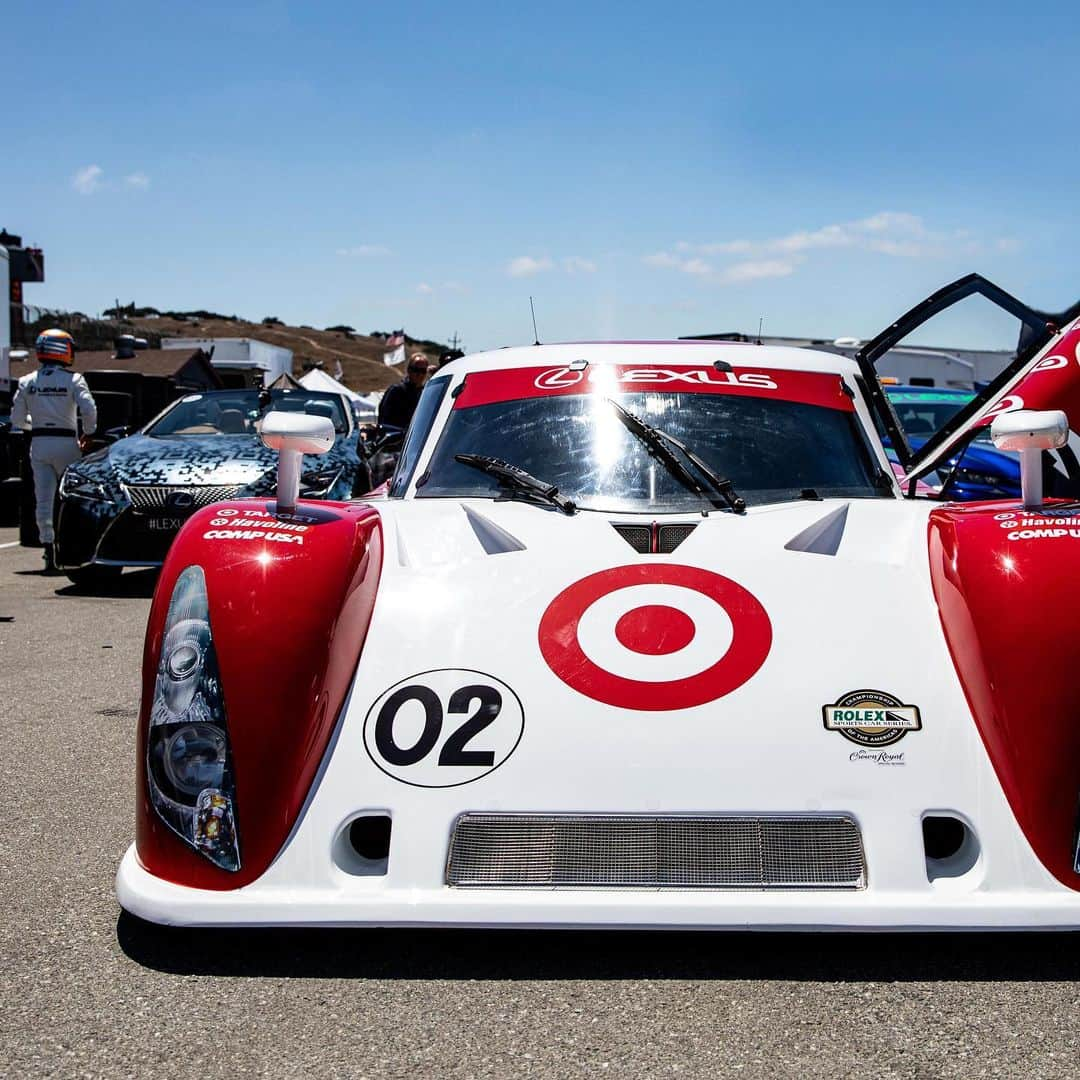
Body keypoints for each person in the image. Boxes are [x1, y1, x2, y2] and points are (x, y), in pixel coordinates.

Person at [11, 329, 98, 573]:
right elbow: (89, 409)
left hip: (39, 443)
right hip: (67, 444)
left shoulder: (27, 381)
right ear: (62, 349)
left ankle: (48, 550)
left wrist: (35, 424)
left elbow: (17, 420)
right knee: (72, 498)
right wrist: (89, 432)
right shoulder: (73, 379)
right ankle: (74, 548)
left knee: (44, 499)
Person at [378, 353, 429, 430]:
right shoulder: (396, 391)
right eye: (416, 370)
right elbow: (383, 419)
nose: (419, 374)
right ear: (409, 370)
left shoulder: (425, 394)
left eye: (423, 371)